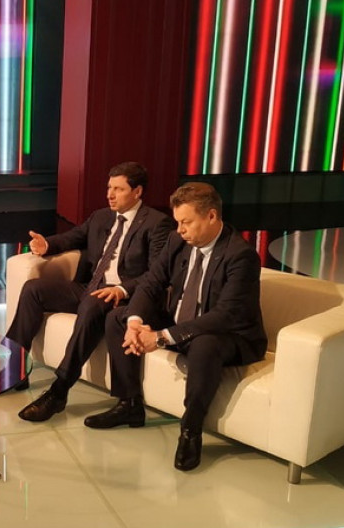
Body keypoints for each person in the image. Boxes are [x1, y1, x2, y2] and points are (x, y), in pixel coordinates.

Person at [86, 182, 266, 472]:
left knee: (205, 344)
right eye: (178, 222)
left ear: (211, 216)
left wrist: (161, 337)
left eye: (186, 222)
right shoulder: (177, 241)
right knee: (118, 318)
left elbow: (225, 315)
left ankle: (191, 431)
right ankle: (129, 404)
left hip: (228, 334)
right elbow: (151, 283)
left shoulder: (240, 255)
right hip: (181, 321)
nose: (180, 229)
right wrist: (135, 322)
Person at [9, 162, 175, 422]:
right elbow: (73, 237)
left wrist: (122, 289)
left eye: (118, 189)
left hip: (124, 295)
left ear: (137, 191)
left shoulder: (157, 223)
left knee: (92, 304)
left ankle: (59, 391)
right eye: (109, 188)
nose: (110, 194)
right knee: (34, 289)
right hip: (91, 286)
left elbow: (158, 273)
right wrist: (47, 244)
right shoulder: (101, 216)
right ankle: (14, 367)